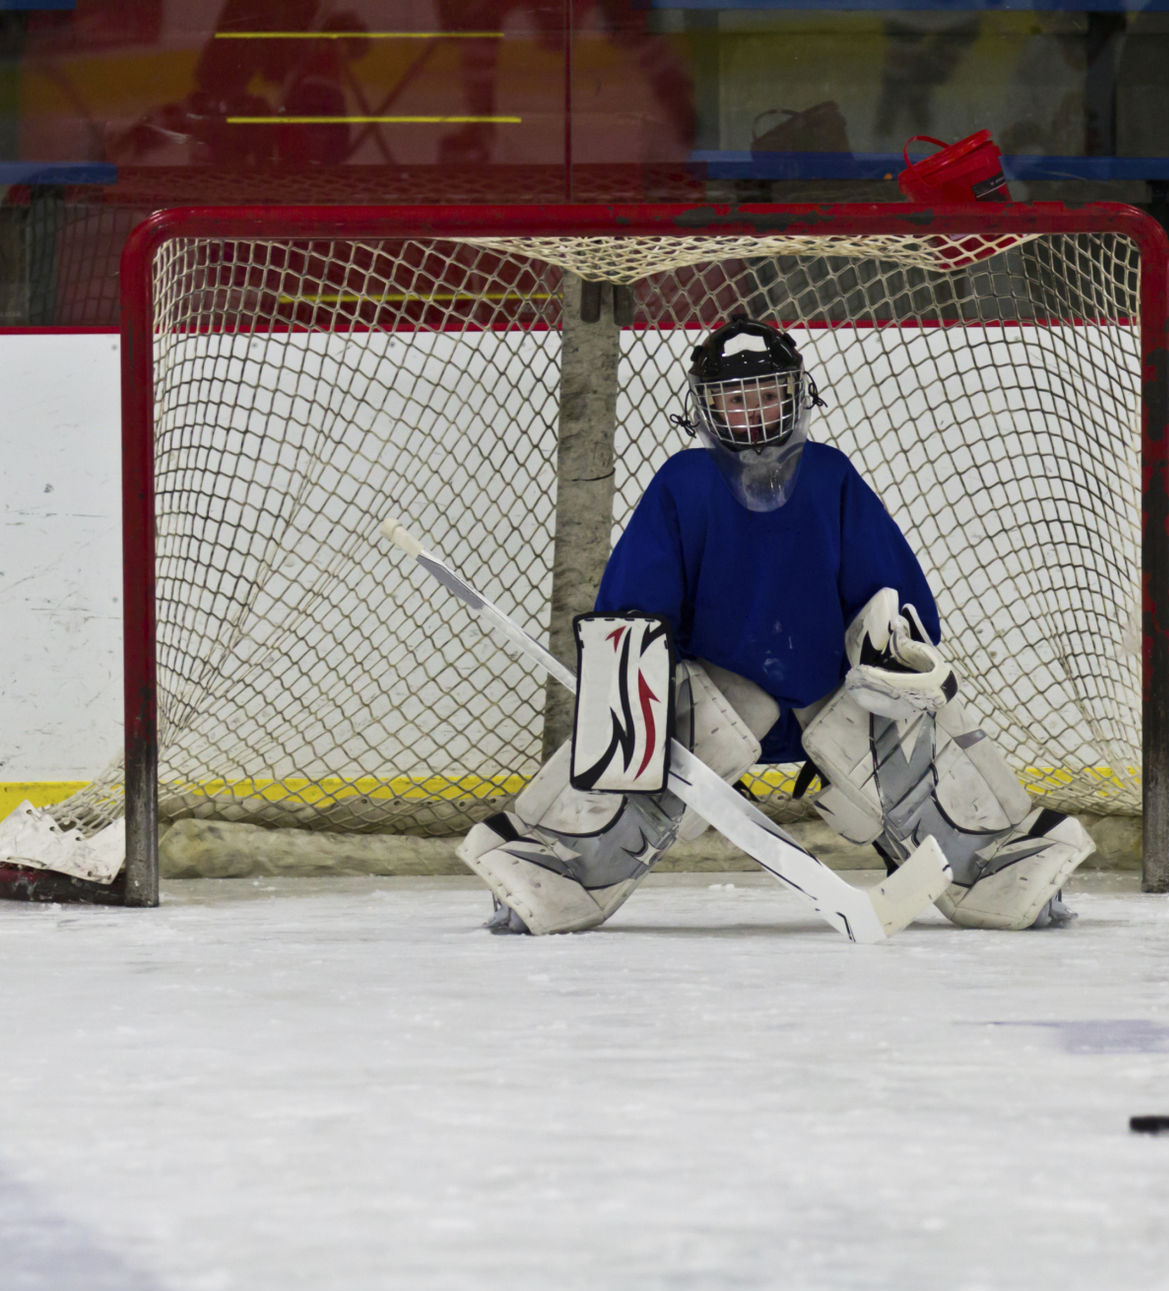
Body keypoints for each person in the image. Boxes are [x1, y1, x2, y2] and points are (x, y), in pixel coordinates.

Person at [462, 316, 1094, 934]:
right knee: (636, 715)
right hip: (717, 700)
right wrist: (629, 690)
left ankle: (1002, 869)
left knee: (907, 714)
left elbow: (892, 600)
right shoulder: (684, 481)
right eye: (735, 398)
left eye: (769, 393)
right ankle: (551, 869)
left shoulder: (829, 474)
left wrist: (899, 657)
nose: (754, 410)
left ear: (798, 395)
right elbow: (634, 608)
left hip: (833, 696)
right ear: (705, 407)